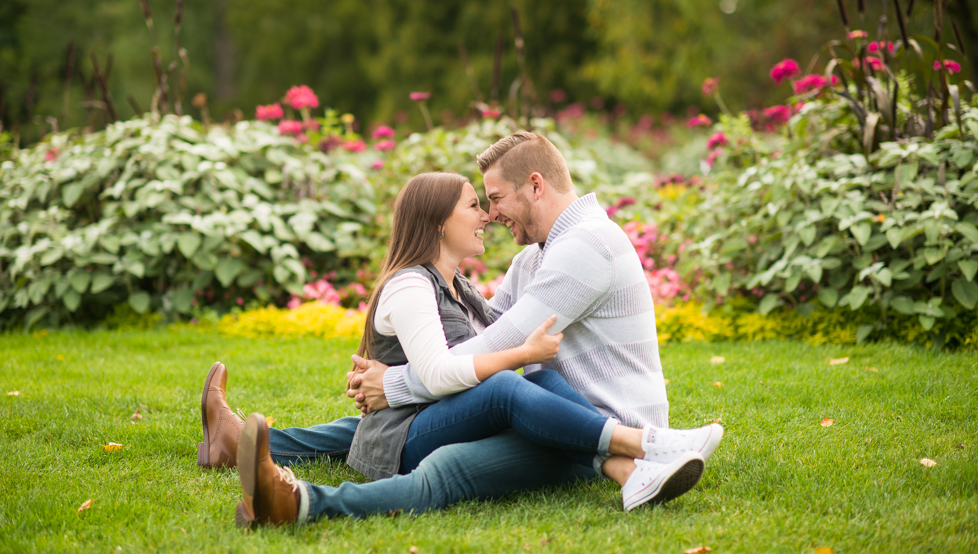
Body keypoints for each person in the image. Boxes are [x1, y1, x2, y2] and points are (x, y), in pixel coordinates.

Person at [198, 131, 723, 526]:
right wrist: (408, 375)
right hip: (547, 408)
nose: (491, 215)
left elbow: (499, 347)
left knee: (457, 449)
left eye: (494, 199)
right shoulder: (536, 258)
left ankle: (300, 501)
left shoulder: (586, 245)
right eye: (481, 204)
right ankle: (636, 467)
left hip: (593, 415)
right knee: (460, 403)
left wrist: (395, 382)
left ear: (535, 185)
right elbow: (483, 334)